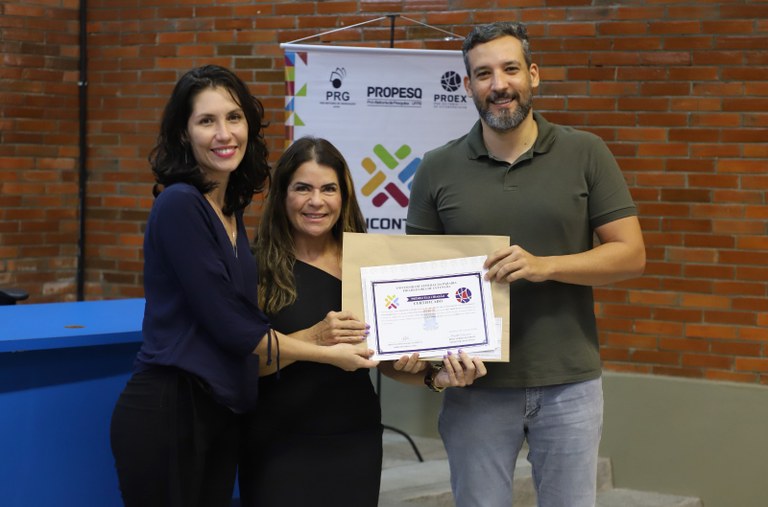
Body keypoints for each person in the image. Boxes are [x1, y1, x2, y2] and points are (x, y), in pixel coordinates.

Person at [109, 66, 377, 507]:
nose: (224, 133)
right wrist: (326, 349)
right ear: (183, 133)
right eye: (206, 120)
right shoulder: (180, 204)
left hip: (220, 412)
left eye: (233, 117)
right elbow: (234, 328)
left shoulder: (228, 211)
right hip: (173, 407)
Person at [405, 22, 646, 507]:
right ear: (468, 85)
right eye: (483, 74)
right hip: (476, 387)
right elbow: (417, 280)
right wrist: (431, 364)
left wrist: (544, 266)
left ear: (533, 74)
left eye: (510, 69)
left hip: (569, 384)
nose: (499, 85)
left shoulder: (585, 152)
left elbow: (630, 254)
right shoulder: (436, 167)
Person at [238, 136, 486, 507]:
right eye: (302, 188)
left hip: (354, 438)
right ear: (282, 196)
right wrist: (314, 338)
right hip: (278, 442)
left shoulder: (367, 265)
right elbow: (245, 363)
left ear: (344, 196)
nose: (316, 201)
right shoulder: (255, 267)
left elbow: (384, 361)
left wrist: (435, 376)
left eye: (329, 189)